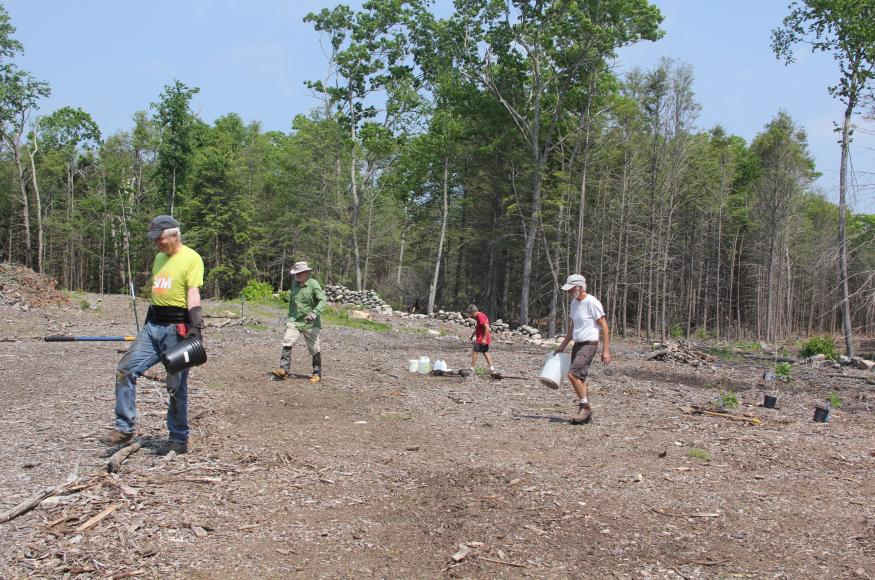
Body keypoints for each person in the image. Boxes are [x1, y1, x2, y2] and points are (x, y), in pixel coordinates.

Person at [99, 215, 204, 455]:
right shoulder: (159, 258)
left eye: (160, 238)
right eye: (155, 239)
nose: (157, 243)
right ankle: (124, 429)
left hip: (176, 329)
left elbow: (193, 293)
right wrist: (147, 325)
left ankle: (178, 438)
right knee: (126, 369)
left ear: (174, 235)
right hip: (152, 326)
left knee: (176, 385)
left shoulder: (191, 258)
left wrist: (196, 327)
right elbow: (160, 293)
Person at [553, 274, 610, 425]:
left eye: (571, 289)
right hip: (577, 344)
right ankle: (585, 414)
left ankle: (586, 407)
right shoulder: (574, 303)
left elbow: (604, 325)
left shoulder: (592, 302)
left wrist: (606, 350)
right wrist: (563, 345)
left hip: (589, 344)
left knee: (572, 374)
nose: (569, 292)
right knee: (581, 379)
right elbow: (573, 327)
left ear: (579, 287)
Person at [272, 261, 327, 384]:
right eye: (296, 273)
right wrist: (290, 317)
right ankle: (283, 370)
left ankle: (317, 373)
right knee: (287, 340)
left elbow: (323, 300)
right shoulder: (294, 285)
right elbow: (293, 302)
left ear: (306, 273)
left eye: (299, 273)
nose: (297, 275)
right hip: (295, 321)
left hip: (311, 323)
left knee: (314, 348)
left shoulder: (313, 284)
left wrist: (315, 312)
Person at [467, 304, 495, 373]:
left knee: (474, 352)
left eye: (470, 314)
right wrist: (472, 336)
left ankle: (471, 368)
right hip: (483, 338)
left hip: (482, 338)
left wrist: (484, 339)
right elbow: (478, 328)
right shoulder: (480, 316)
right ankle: (491, 368)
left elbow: (487, 327)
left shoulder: (480, 316)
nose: (470, 316)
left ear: (473, 312)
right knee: (485, 352)